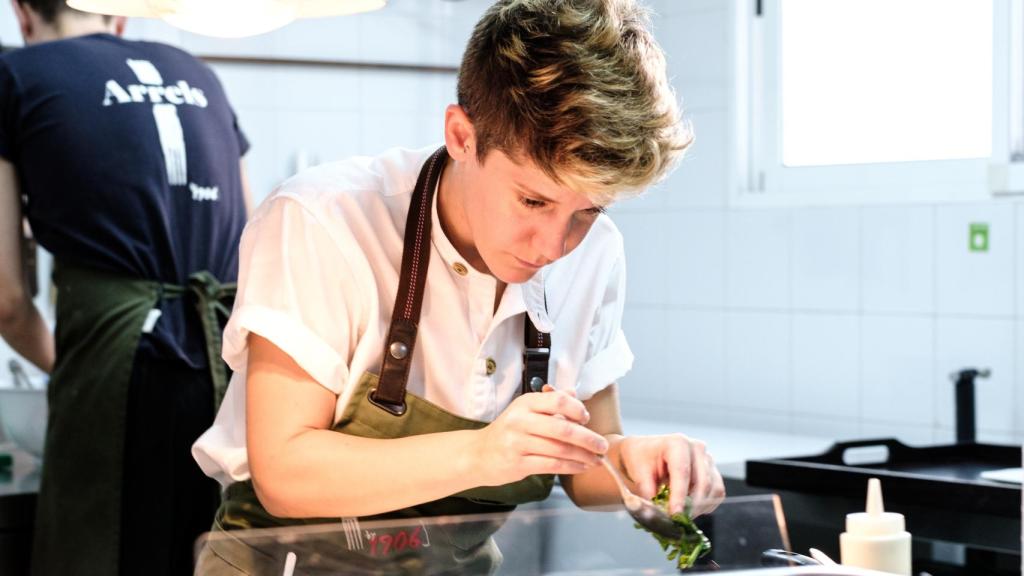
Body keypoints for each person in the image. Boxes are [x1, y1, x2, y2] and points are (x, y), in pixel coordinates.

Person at [191, 0, 725, 573]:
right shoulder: (322, 220)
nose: (553, 246)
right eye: (533, 200)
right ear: (461, 136)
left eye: (588, 209)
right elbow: (286, 472)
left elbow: (586, 458)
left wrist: (635, 463)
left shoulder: (597, 252)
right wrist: (482, 452)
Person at [0, 1, 252, 575]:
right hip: (226, 377)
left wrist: (72, 367)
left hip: (113, 375)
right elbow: (257, 240)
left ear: (21, 13)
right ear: (121, 17)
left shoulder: (13, 76)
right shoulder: (199, 72)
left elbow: (7, 299)